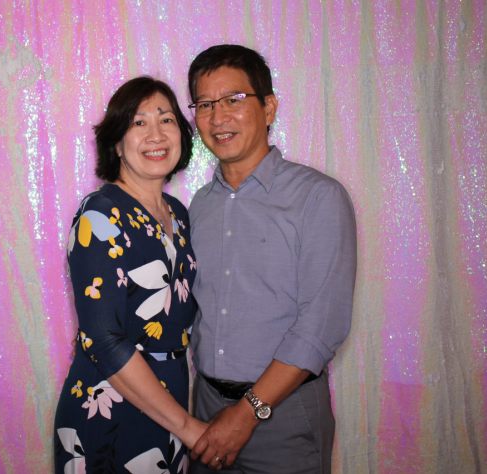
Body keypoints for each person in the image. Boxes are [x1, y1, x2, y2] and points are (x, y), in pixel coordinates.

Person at [187, 44, 357, 473]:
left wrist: (247, 413)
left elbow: (321, 325)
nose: (217, 117)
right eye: (205, 104)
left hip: (283, 417)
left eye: (233, 99)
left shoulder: (318, 197)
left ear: (269, 107)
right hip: (205, 410)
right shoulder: (198, 207)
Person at [54, 76, 207, 473]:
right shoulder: (100, 214)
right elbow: (104, 339)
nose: (156, 134)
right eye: (139, 122)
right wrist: (188, 427)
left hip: (171, 399)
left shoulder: (179, 214)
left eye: (166, 119)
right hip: (111, 404)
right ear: (117, 144)